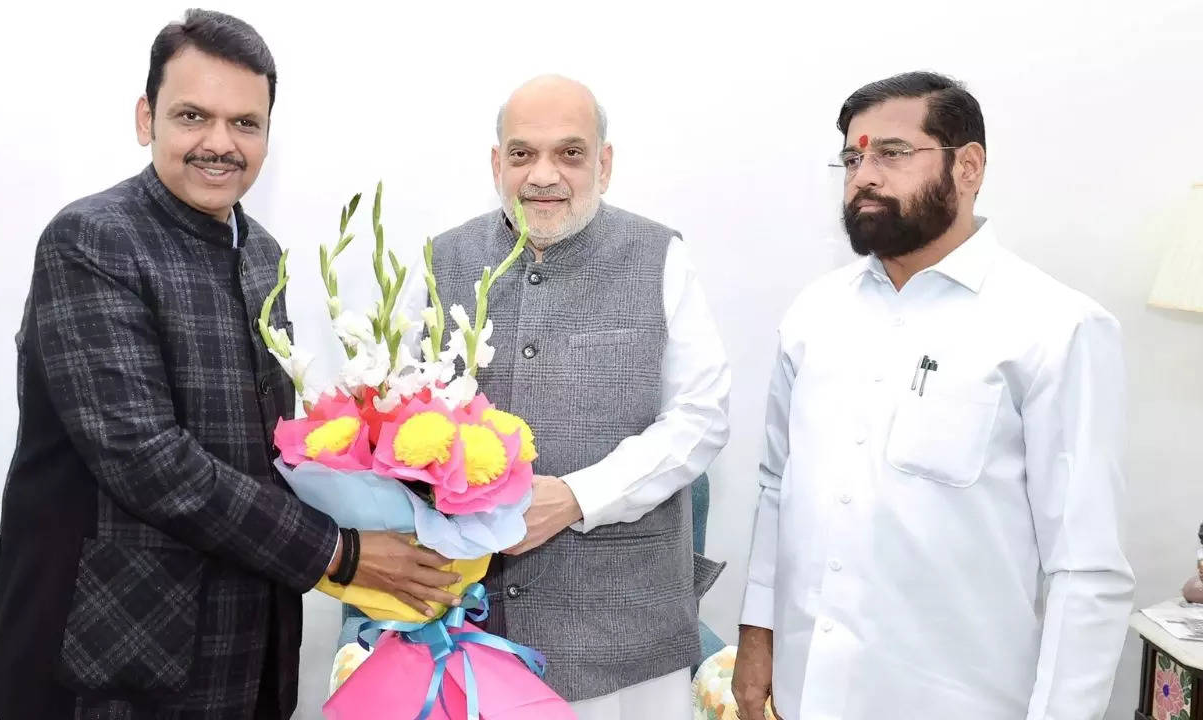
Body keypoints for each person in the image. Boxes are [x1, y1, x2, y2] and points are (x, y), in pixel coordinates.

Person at [0, 10, 457, 718]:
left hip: (244, 637)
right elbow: (148, 459)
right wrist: (341, 553)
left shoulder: (261, 253)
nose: (220, 144)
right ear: (147, 118)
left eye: (245, 123)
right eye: (193, 116)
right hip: (108, 648)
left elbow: (266, 452)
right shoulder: (91, 242)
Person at [732, 71, 1135, 720]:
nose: (864, 174)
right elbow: (777, 487)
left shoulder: (1056, 328)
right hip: (811, 693)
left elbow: (1085, 570)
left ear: (968, 166)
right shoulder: (814, 315)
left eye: (891, 153)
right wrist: (757, 641)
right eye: (852, 157)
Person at [419, 74, 732, 719]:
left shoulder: (659, 256)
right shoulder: (441, 261)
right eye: (522, 153)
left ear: (604, 163)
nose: (544, 175)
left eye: (570, 153)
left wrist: (578, 497)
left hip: (629, 639)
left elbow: (701, 416)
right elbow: (410, 420)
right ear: (496, 163)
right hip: (475, 631)